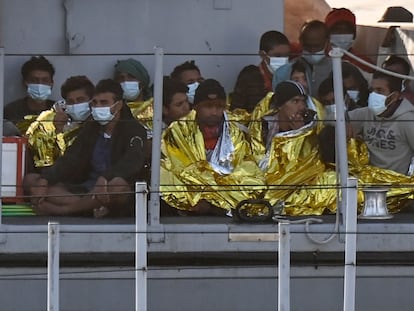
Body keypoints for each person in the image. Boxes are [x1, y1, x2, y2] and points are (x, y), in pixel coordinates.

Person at [24, 79, 147, 216]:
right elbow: (71, 158)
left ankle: (65, 210)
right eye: (95, 103)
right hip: (87, 187)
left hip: (113, 188)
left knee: (118, 186)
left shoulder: (134, 130)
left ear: (118, 106)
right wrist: (44, 180)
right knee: (32, 181)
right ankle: (90, 208)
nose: (98, 107)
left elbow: (133, 160)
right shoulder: (92, 127)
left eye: (104, 103)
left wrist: (106, 177)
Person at [160, 79, 264, 215]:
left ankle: (218, 205)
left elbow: (243, 165)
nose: (214, 112)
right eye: (208, 107)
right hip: (194, 198)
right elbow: (179, 168)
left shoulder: (235, 130)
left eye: (219, 107)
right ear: (196, 107)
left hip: (227, 190)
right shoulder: (178, 130)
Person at [348, 71, 414, 175]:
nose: (374, 95)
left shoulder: (408, 120)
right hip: (368, 180)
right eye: (372, 90)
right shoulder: (367, 113)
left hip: (396, 185)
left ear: (394, 96)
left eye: (379, 91)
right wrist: (345, 122)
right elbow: (330, 118)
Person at [25, 75, 95, 170]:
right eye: (71, 101)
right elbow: (45, 162)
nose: (75, 105)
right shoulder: (52, 120)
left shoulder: (97, 124)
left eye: (80, 100)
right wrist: (58, 130)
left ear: (91, 101)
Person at [273, 20, 332, 97]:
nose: (312, 50)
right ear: (301, 42)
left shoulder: (338, 68)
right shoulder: (283, 72)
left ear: (327, 42)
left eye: (317, 46)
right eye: (308, 46)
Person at [4, 56, 55, 132]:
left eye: (45, 80)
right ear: (25, 82)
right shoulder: (11, 111)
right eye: (34, 80)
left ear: (51, 83)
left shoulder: (58, 111)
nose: (40, 84)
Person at [325, 8, 375, 73]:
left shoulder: (364, 63)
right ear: (327, 34)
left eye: (347, 30)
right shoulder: (318, 60)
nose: (342, 33)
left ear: (354, 35)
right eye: (337, 29)